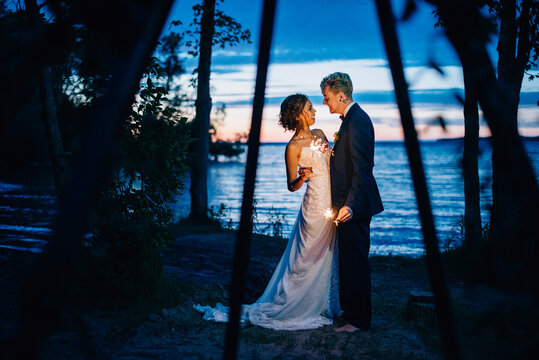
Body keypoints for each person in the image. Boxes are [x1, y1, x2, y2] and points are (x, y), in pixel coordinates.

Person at [194, 94, 341, 330]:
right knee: (305, 258)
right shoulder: (292, 147)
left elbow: (335, 164)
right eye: (310, 108)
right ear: (298, 114)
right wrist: (302, 177)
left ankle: (321, 302)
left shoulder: (321, 134)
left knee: (326, 254)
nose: (315, 112)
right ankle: (293, 303)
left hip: (331, 205)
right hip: (313, 207)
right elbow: (291, 186)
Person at [320, 72, 384, 333]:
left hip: (354, 206)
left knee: (355, 261)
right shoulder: (350, 120)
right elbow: (347, 162)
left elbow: (363, 168)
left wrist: (350, 205)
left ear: (341, 95)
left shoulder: (357, 121)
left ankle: (358, 320)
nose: (325, 103)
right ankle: (350, 314)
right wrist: (331, 153)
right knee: (348, 260)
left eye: (326, 97)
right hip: (348, 203)